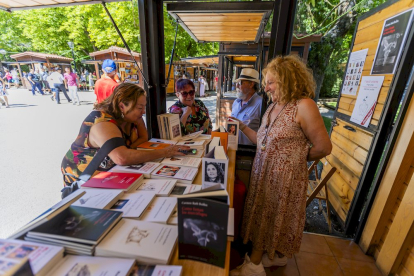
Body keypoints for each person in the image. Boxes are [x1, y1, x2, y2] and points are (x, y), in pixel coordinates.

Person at [229, 55, 332, 276]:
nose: (266, 87)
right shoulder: (275, 106)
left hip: (283, 178)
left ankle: (254, 265)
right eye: (266, 82)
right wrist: (242, 126)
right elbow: (263, 141)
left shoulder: (305, 105)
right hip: (262, 173)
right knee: (264, 217)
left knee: (270, 217)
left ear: (288, 79)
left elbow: (324, 147)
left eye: (270, 82)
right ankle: (271, 257)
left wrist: (291, 158)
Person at [61, 83, 189, 184]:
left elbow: (144, 138)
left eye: (144, 107)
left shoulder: (131, 116)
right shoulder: (102, 122)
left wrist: (128, 150)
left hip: (112, 172)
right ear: (122, 106)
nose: (143, 112)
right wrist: (166, 151)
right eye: (140, 108)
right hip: (87, 176)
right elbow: (122, 158)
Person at [230, 68, 263, 145]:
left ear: (251, 84)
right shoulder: (236, 102)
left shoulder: (260, 104)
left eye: (240, 83)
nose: (237, 86)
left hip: (249, 153)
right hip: (233, 149)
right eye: (237, 83)